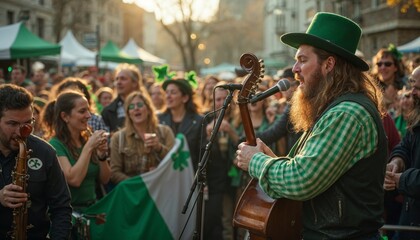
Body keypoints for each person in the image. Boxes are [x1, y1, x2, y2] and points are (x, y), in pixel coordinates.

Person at [235, 12, 387, 239]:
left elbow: (302, 180)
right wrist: (273, 161)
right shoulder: (333, 108)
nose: (295, 68)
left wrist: (256, 161)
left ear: (329, 64)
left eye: (303, 60)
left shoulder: (347, 113)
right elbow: (314, 169)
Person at [0, 84, 72, 239]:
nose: (22, 131)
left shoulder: (45, 152)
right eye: (12, 124)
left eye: (28, 122)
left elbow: (61, 208)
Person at [42, 91, 111, 212]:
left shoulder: (86, 140)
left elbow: (105, 179)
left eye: (88, 110)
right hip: (69, 215)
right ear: (65, 116)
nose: (89, 115)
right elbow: (74, 180)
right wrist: (89, 147)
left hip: (92, 210)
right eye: (82, 111)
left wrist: (102, 156)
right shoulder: (55, 145)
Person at [384, 66, 420, 240]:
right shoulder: (417, 117)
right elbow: (404, 145)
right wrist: (396, 162)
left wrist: (402, 179)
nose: (413, 93)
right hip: (408, 219)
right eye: (413, 85)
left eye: (418, 88)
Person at [110, 91, 175, 184]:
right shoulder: (118, 138)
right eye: (131, 107)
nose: (136, 108)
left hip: (161, 187)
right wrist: (139, 184)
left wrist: (159, 148)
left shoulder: (165, 132)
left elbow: (175, 162)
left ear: (148, 109)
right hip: (132, 192)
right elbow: (114, 172)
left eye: (140, 105)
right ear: (128, 113)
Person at [102, 63, 148, 133]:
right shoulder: (108, 111)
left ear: (134, 83)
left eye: (123, 79)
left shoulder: (147, 107)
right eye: (116, 79)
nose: (118, 82)